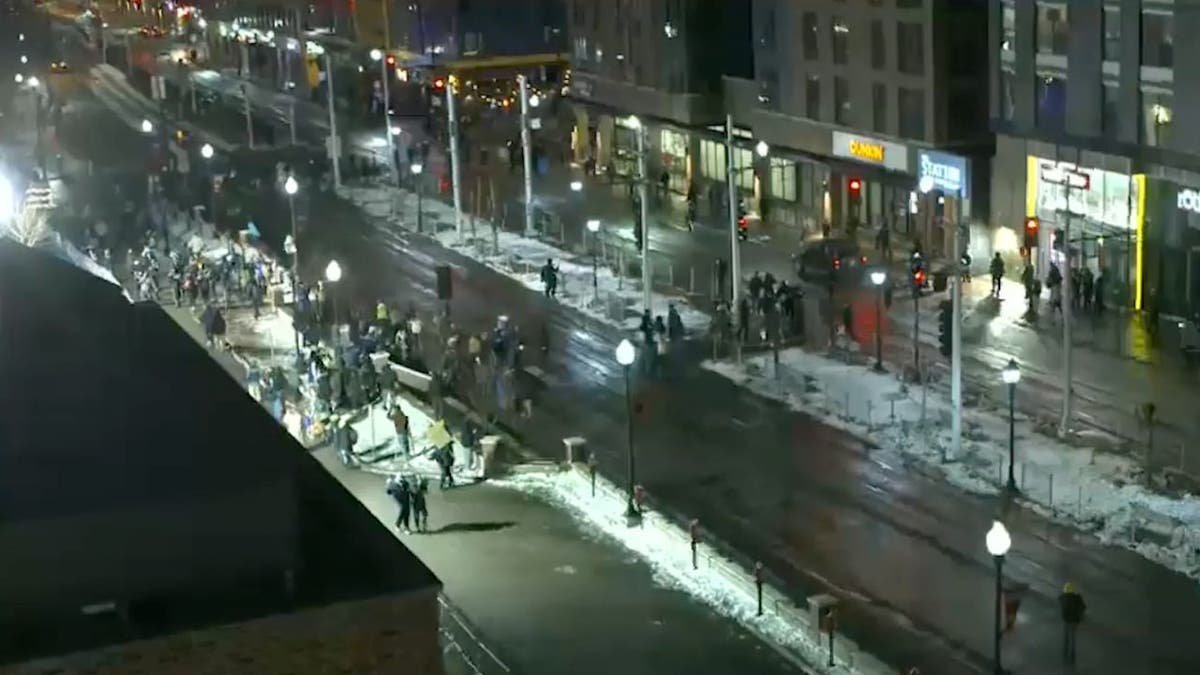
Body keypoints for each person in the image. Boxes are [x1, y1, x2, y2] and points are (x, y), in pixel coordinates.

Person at [1059, 582, 1086, 665]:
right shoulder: (1077, 597)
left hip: (1066, 620)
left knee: (1066, 636)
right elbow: (1083, 607)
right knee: (1073, 637)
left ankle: (1065, 652)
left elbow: (1059, 600)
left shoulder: (1062, 598)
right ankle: (1073, 654)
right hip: (1074, 621)